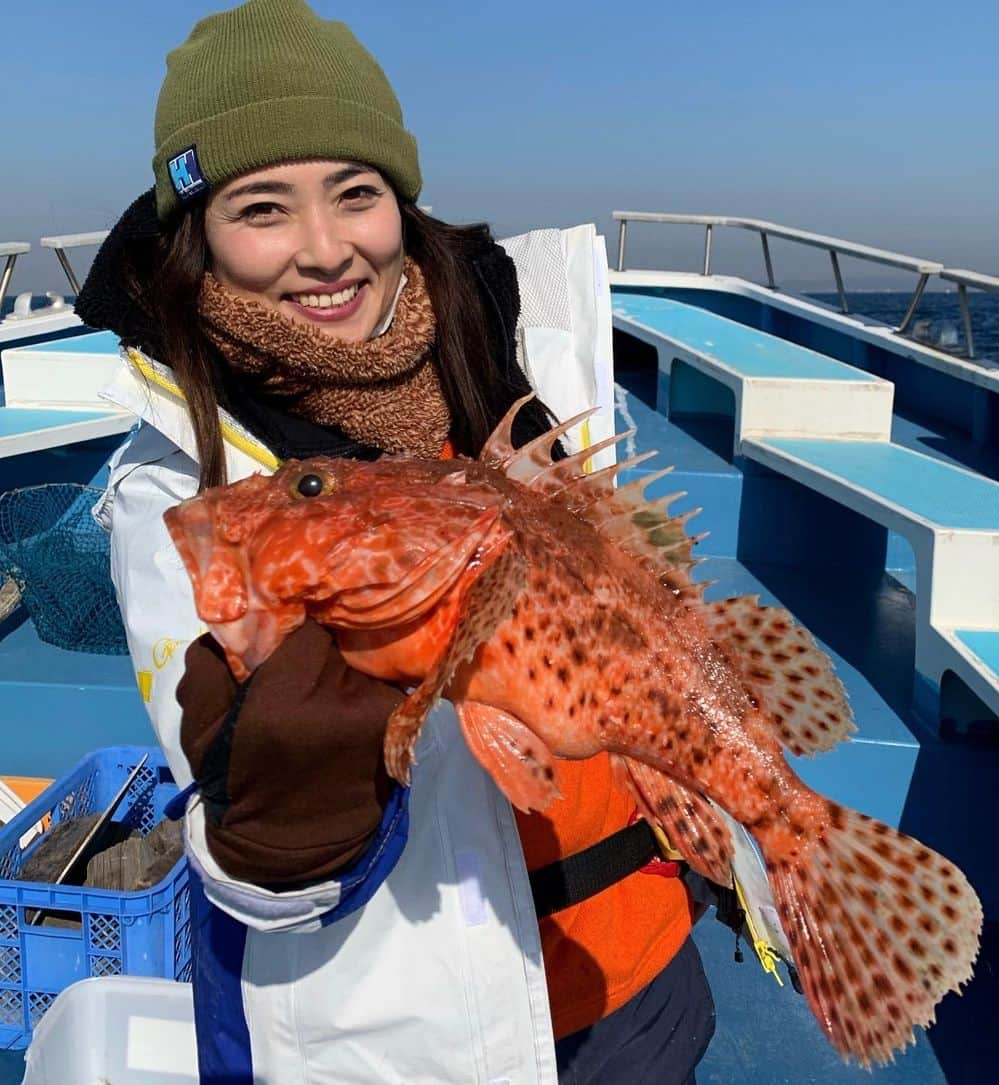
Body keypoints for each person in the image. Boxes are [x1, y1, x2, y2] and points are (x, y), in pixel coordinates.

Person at [78, 1, 716, 1081]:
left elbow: (645, 575)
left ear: (400, 202)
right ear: (197, 231)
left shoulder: (518, 341)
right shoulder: (181, 492)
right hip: (430, 1035)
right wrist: (276, 818)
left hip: (644, 963)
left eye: (357, 193)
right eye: (262, 207)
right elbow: (237, 857)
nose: (325, 250)